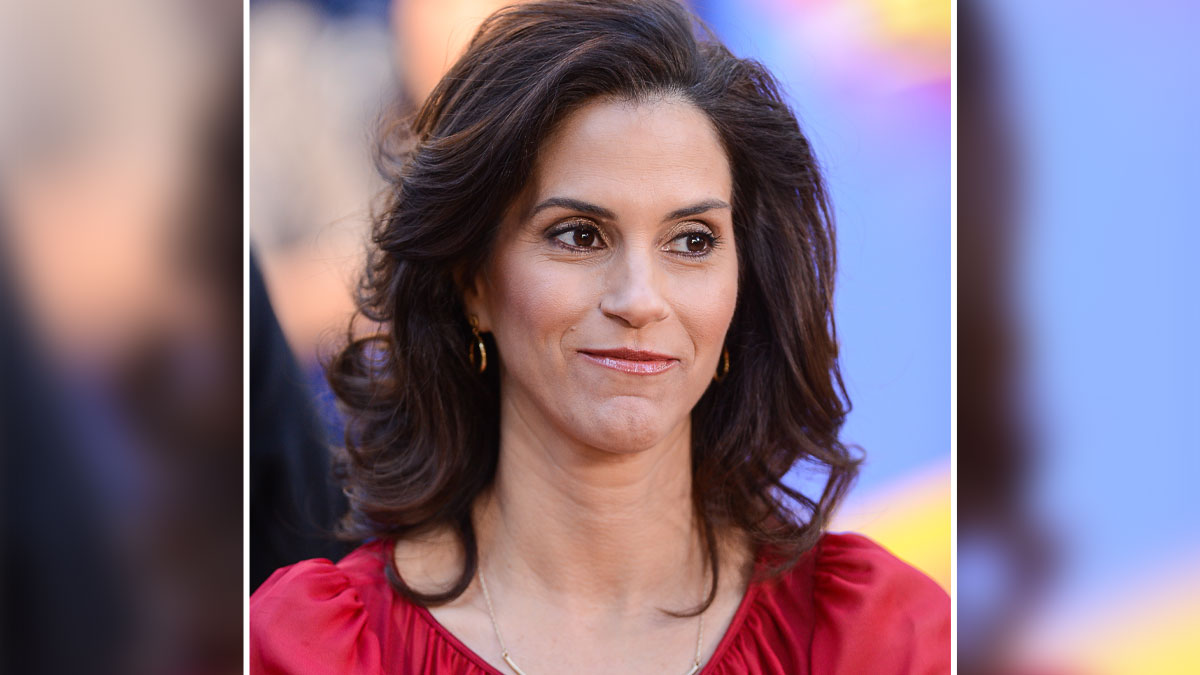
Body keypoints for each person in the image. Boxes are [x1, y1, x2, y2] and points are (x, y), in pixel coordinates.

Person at [250, 1, 950, 673]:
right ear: (472, 281)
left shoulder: (875, 637)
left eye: (693, 240)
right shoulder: (312, 647)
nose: (639, 300)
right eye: (580, 235)